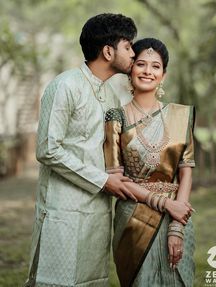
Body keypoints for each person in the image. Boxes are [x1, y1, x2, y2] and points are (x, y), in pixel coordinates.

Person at [24, 13, 138, 287]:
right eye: (128, 46)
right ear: (108, 51)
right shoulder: (65, 85)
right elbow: (48, 149)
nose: (133, 53)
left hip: (98, 211)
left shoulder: (111, 95)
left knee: (92, 280)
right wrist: (102, 180)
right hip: (63, 211)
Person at [104, 38, 196, 287]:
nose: (147, 71)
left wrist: (177, 225)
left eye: (155, 66)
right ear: (130, 70)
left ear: (163, 75)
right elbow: (115, 178)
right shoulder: (116, 116)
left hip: (177, 214)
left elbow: (185, 172)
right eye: (141, 64)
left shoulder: (180, 115)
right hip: (133, 216)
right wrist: (164, 203)